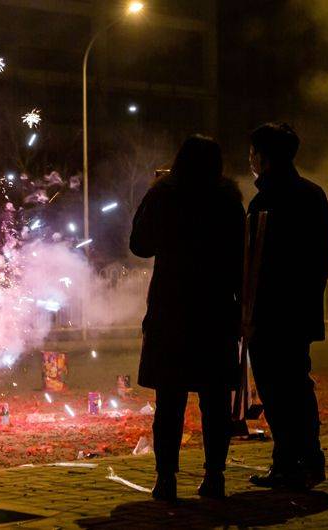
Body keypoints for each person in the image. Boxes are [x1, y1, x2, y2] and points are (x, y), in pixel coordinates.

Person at [130, 135, 245, 501]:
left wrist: (155, 193)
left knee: (170, 400)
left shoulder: (165, 194)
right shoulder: (228, 200)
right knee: (214, 401)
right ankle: (215, 476)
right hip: (215, 307)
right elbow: (241, 254)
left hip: (172, 308)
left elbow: (139, 244)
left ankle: (166, 479)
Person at [246, 123, 328, 489]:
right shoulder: (313, 195)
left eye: (252, 152)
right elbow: (324, 255)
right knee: (298, 383)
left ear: (264, 158)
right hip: (299, 310)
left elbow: (253, 260)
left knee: (275, 388)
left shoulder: (265, 200)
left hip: (269, 312)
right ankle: (310, 459)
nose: (249, 158)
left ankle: (287, 462)